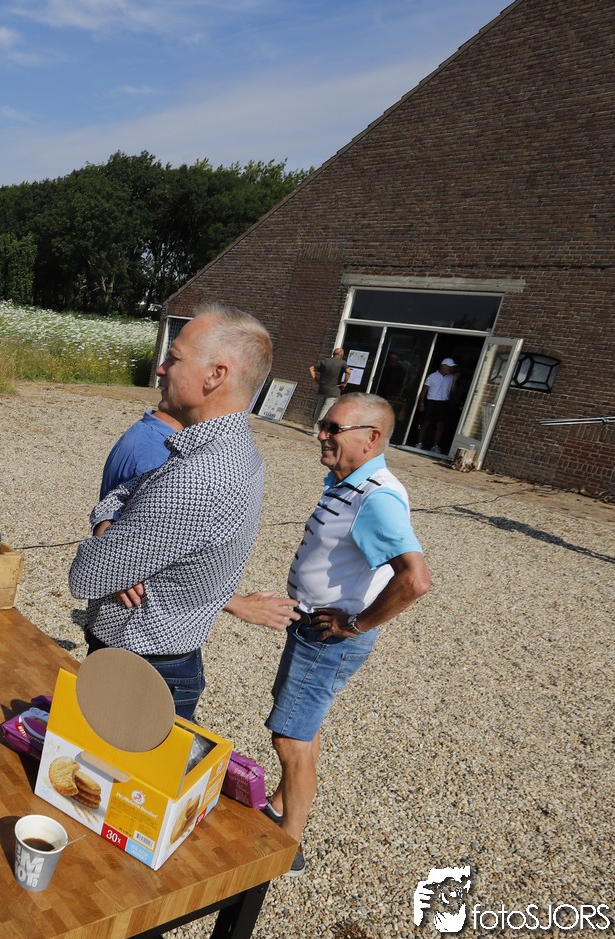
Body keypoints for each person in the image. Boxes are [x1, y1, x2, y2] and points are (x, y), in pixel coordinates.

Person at [68, 305, 273, 722]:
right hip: (159, 661)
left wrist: (112, 546)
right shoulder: (226, 448)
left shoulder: (197, 476)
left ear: (215, 375)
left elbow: (87, 575)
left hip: (136, 672)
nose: (161, 369)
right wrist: (111, 526)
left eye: (174, 358)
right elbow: (124, 492)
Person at [263, 393, 431, 875]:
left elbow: (415, 580)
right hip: (312, 629)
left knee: (289, 738)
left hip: (326, 639)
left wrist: (353, 625)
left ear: (371, 438)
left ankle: (287, 846)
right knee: (303, 726)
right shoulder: (349, 483)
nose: (321, 434)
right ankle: (279, 805)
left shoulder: (376, 498)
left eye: (333, 428)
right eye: (324, 424)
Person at [99, 405, 301, 632]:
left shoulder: (148, 433)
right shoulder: (162, 455)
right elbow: (144, 562)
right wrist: (237, 604)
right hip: (137, 626)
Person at [414, 357, 460, 452]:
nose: (451, 369)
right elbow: (424, 390)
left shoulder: (451, 377)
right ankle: (419, 443)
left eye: (452, 367)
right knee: (426, 423)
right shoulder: (432, 376)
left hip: (443, 403)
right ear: (443, 366)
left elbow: (453, 391)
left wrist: (455, 380)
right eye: (449, 367)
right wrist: (421, 403)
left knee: (440, 425)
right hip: (431, 402)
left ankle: (435, 446)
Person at [308, 345, 349, 422]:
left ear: (333, 354)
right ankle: (317, 428)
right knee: (325, 410)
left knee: (318, 409)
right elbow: (348, 372)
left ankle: (314, 425)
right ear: (341, 355)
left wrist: (315, 379)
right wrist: (345, 383)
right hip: (333, 391)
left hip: (322, 389)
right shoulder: (342, 363)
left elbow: (311, 368)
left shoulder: (325, 361)